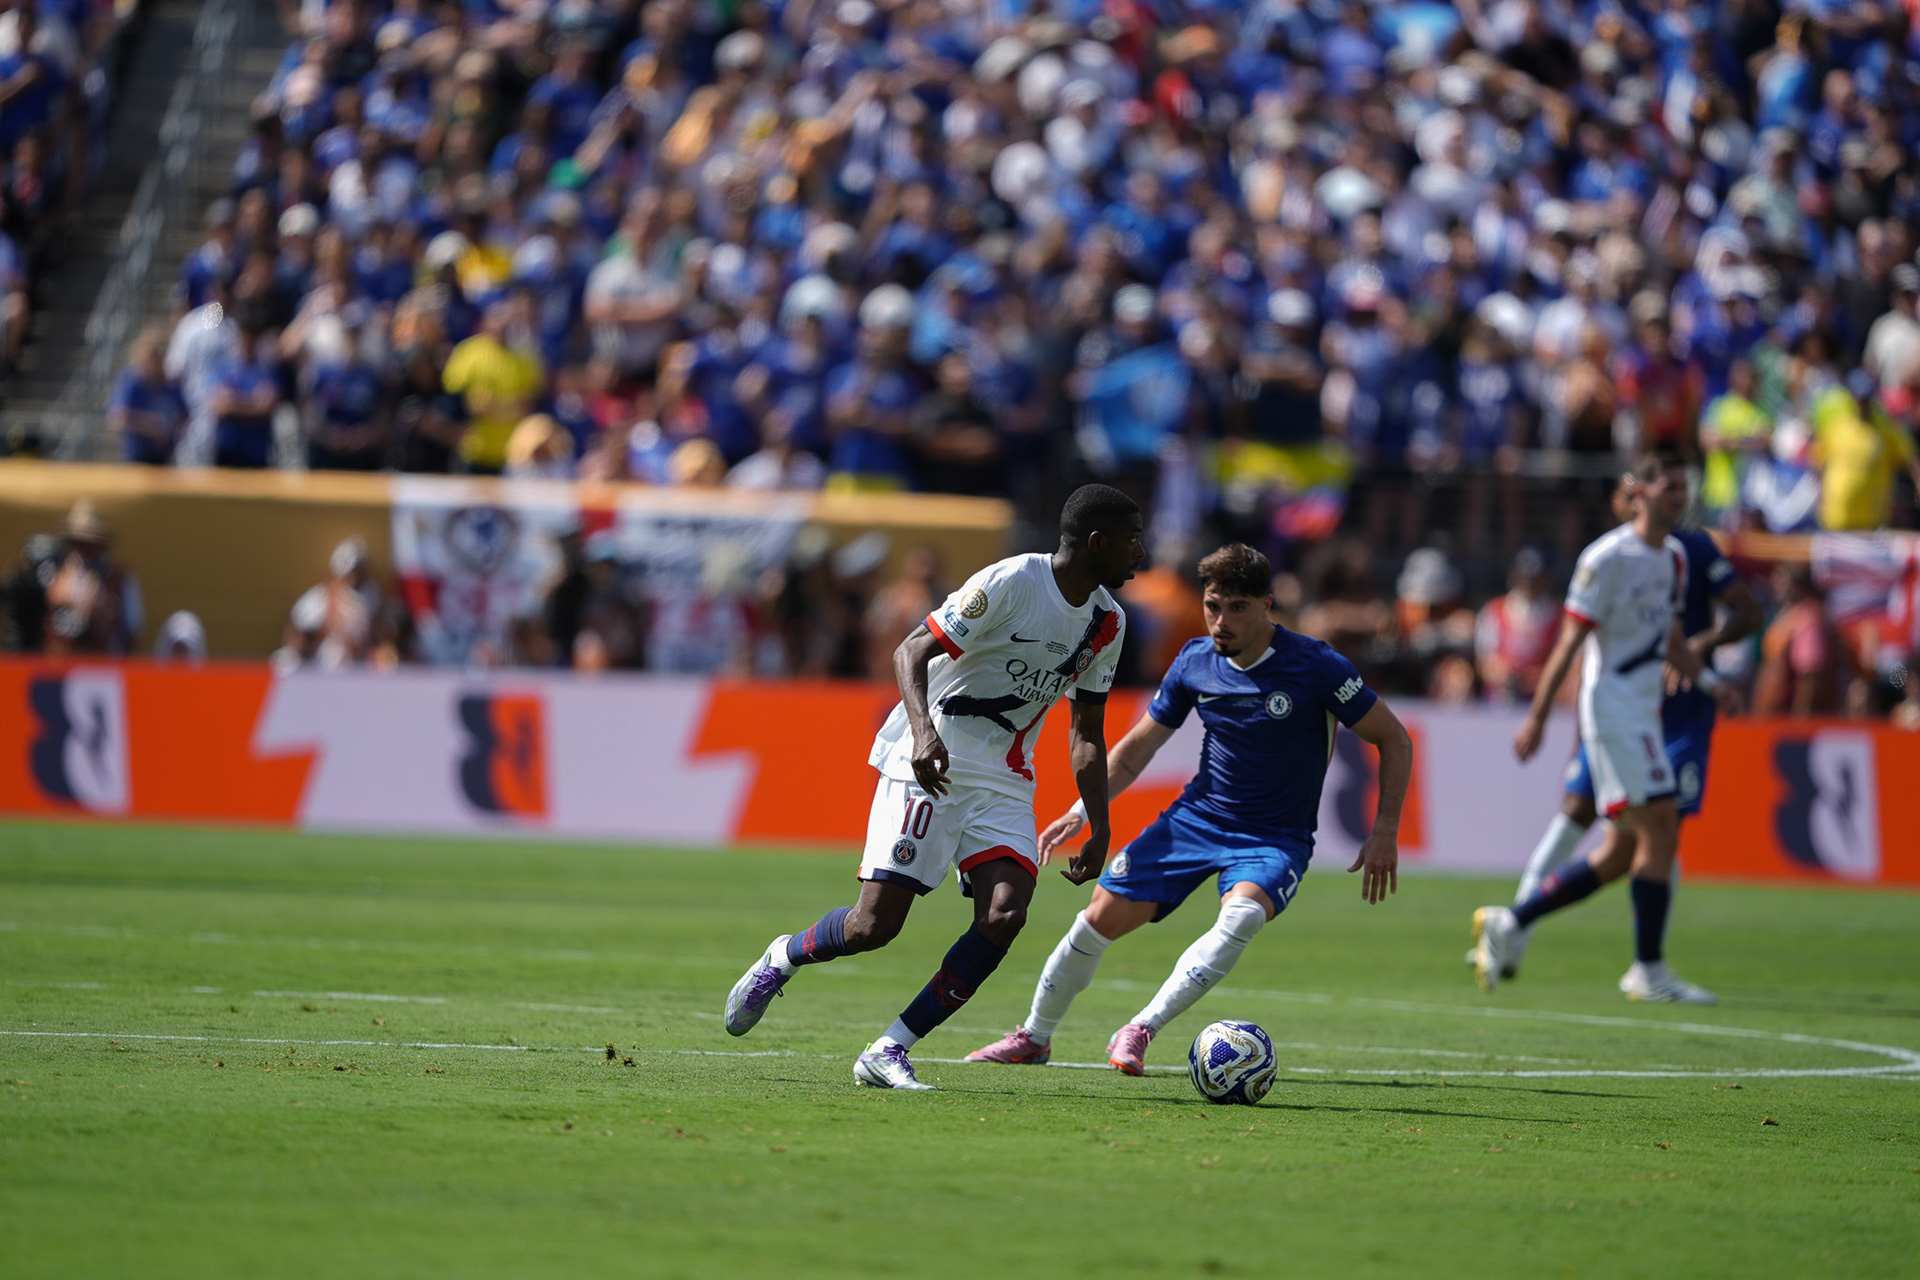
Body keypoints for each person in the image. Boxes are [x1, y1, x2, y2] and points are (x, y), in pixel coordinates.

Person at [722, 484, 1145, 1091]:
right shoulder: (1011, 581)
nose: (1141, 553)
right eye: (1132, 540)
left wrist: (1100, 824)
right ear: (1098, 542)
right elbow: (911, 650)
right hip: (931, 763)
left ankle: (890, 1047)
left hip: (1004, 778)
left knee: (1006, 915)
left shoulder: (1109, 623)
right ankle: (782, 957)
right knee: (874, 928)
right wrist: (923, 735)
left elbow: (1086, 732)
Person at [965, 543, 1409, 1074]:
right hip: (1196, 820)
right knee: (1093, 922)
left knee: (1241, 914)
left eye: (1237, 608)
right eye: (1213, 606)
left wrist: (1385, 830)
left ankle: (1140, 1028)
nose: (1221, 621)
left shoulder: (1315, 665)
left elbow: (1394, 738)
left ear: (1268, 605)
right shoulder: (1195, 661)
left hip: (1274, 837)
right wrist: (1083, 811)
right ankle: (1034, 1038)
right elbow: (1138, 748)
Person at [1472, 455, 1740, 1004]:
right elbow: (1569, 643)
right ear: (1639, 492)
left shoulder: (1673, 558)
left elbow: (1668, 642)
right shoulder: (1606, 557)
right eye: (1669, 486)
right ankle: (1649, 969)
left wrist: (1711, 684)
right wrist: (1540, 717)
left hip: (1642, 714)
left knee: (1620, 853)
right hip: (1614, 713)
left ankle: (1510, 921)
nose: (1678, 496)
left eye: (1684, 487)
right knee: (1662, 829)